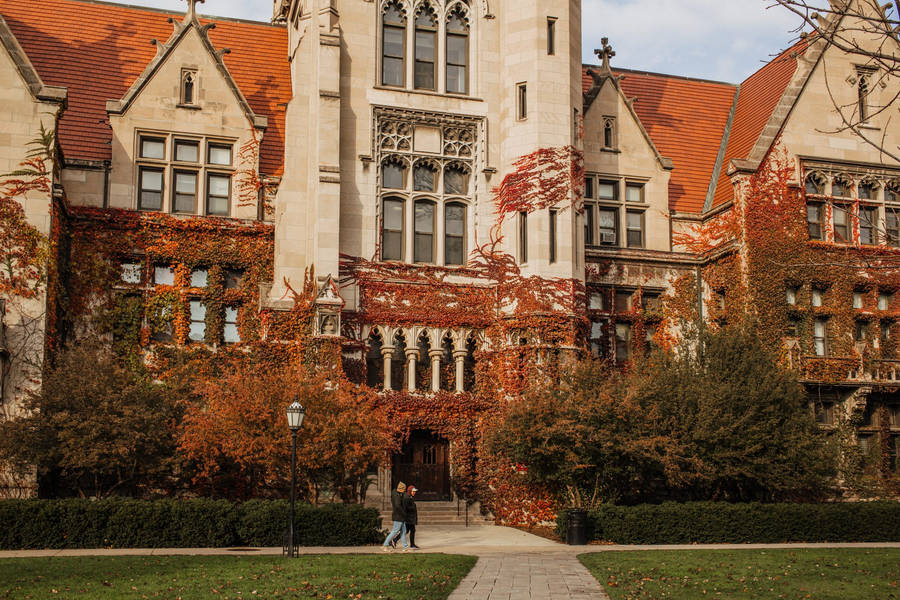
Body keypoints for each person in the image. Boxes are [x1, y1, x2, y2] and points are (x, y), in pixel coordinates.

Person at [382, 481, 409, 552]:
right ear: (401, 489)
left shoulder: (398, 494)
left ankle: (405, 547)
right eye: (404, 489)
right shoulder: (397, 496)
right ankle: (385, 545)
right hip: (398, 516)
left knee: (403, 531)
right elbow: (397, 506)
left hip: (400, 516)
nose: (404, 491)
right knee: (395, 531)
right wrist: (404, 513)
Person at [405, 485, 419, 549]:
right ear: (410, 491)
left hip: (410, 518)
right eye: (413, 491)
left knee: (406, 531)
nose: (414, 493)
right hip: (409, 518)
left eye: (415, 491)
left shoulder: (410, 498)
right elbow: (406, 508)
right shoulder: (408, 498)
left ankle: (394, 540)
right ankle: (412, 545)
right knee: (412, 530)